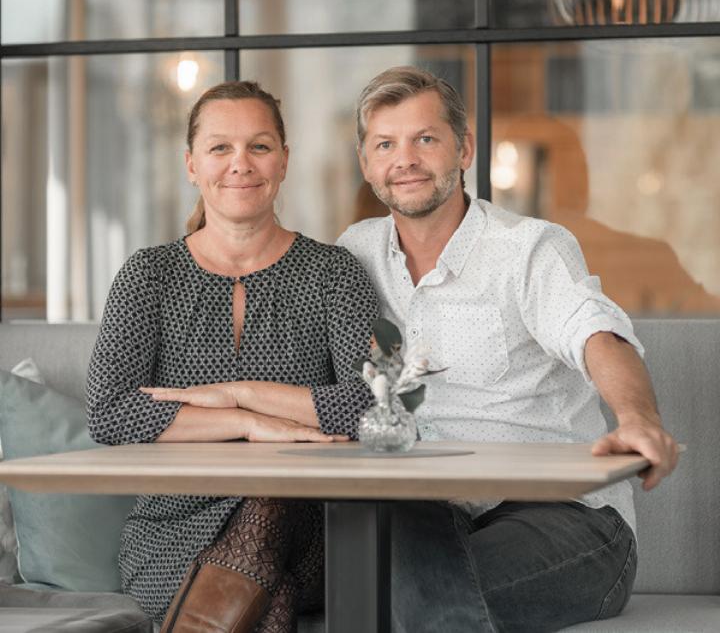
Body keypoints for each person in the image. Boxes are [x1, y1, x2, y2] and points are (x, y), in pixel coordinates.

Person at [337, 66, 679, 632]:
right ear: (366, 162)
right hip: (427, 505)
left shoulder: (528, 248)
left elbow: (596, 333)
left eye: (426, 139)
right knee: (357, 574)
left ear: (464, 149)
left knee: (410, 599)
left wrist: (638, 418)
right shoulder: (354, 253)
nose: (406, 160)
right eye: (385, 145)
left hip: (565, 516)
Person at [86, 81, 378, 633]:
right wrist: (246, 423)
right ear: (192, 164)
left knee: (271, 498)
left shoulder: (334, 273)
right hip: (172, 530)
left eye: (259, 146)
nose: (240, 163)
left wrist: (242, 393)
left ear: (284, 161)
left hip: (309, 527)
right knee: (271, 591)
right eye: (220, 147)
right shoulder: (149, 276)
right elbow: (110, 412)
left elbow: (373, 407)